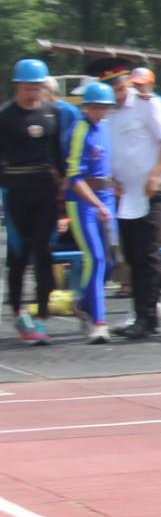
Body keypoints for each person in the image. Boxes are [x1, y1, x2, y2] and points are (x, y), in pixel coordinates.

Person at [105, 66, 161, 339]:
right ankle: (141, 314)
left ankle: (148, 318)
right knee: (133, 256)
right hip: (124, 195)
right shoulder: (107, 113)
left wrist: (156, 174)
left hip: (150, 190)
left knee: (147, 253)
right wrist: (110, 179)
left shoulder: (149, 105)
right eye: (114, 91)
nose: (120, 95)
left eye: (122, 88)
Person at [4, 57, 67, 344]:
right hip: (15, 192)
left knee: (44, 253)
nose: (33, 92)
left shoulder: (52, 113)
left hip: (45, 192)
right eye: (29, 87)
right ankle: (19, 311)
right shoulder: (5, 116)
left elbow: (59, 156)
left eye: (38, 87)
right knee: (18, 256)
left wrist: (63, 192)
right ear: (18, 86)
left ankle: (42, 318)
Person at [60, 81, 115, 342]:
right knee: (95, 258)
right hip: (83, 203)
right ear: (86, 107)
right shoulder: (80, 130)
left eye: (104, 107)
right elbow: (75, 177)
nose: (100, 112)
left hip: (106, 198)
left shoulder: (104, 128)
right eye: (95, 107)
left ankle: (84, 303)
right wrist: (98, 204)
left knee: (111, 260)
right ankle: (99, 322)